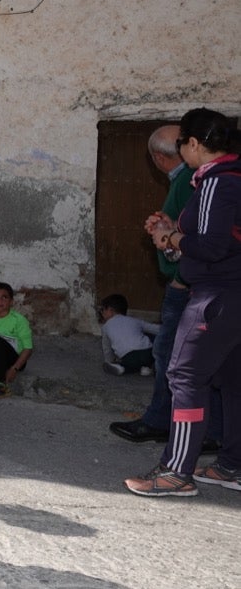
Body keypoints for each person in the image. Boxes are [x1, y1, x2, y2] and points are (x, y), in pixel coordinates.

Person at [125, 108, 241, 497]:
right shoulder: (232, 176)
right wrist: (172, 231)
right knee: (231, 380)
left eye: (182, 144)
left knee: (185, 377)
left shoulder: (215, 183)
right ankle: (231, 465)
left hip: (215, 296)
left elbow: (211, 246)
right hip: (232, 294)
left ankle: (176, 472)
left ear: (193, 144)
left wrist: (172, 239)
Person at [110, 125, 223, 450]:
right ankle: (191, 427)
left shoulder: (195, 182)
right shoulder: (192, 183)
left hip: (189, 284)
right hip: (191, 281)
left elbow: (199, 240)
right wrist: (168, 228)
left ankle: (178, 426)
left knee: (177, 356)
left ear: (159, 158)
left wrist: (169, 239)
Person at [97, 293, 157, 376]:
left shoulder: (106, 327)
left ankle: (122, 368)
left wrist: (109, 361)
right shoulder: (134, 320)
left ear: (110, 310)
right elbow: (155, 329)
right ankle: (147, 368)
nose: (102, 313)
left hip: (128, 356)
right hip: (148, 352)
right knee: (150, 336)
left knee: (129, 364)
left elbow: (107, 348)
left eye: (103, 310)